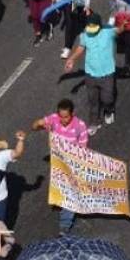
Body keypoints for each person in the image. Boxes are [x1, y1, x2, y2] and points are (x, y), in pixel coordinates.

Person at [32, 98, 89, 232]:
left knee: (68, 191)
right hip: (57, 162)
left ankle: (65, 223)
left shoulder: (80, 126)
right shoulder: (53, 119)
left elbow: (83, 150)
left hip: (71, 164)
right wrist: (39, 124)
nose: (63, 120)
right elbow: (34, 126)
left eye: (66, 117)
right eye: (61, 117)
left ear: (72, 114)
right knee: (63, 189)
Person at [64, 12, 118, 134]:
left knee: (107, 98)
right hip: (90, 74)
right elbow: (80, 48)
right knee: (93, 100)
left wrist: (124, 25)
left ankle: (109, 110)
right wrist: (71, 59)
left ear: (99, 25)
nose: (91, 30)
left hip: (107, 73)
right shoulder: (84, 35)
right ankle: (94, 122)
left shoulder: (108, 32)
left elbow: (119, 30)